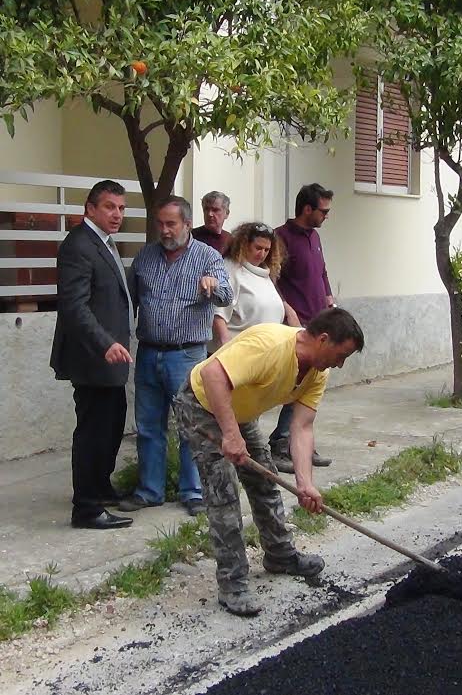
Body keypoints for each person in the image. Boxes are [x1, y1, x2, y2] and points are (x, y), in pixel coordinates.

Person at [172, 308, 364, 617]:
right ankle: (232, 584)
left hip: (238, 411)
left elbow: (301, 427)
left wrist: (305, 483)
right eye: (340, 355)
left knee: (265, 480)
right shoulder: (271, 344)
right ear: (324, 339)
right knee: (224, 495)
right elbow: (211, 374)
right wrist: (231, 435)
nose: (340, 364)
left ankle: (280, 555)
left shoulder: (317, 372)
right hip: (202, 405)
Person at [119, 196, 232, 517]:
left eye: (171, 224)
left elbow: (226, 293)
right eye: (160, 224)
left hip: (187, 356)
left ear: (186, 224)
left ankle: (192, 491)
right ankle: (149, 491)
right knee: (149, 426)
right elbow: (129, 299)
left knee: (190, 427)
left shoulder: (208, 257)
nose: (165, 231)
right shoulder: (145, 258)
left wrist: (213, 286)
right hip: (149, 354)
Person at [51, 180, 134, 530]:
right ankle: (85, 508)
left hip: (110, 358)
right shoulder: (79, 245)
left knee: (112, 422)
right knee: (93, 430)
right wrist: (105, 343)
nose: (116, 214)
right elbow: (74, 306)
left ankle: (99, 487)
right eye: (109, 207)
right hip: (93, 357)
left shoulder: (103, 242)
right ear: (90, 208)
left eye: (121, 208)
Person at [270, 183, 336, 471]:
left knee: (312, 385)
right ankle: (282, 443)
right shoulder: (280, 238)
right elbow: (271, 278)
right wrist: (288, 311)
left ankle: (302, 442)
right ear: (307, 209)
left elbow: (321, 272)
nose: (327, 216)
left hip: (320, 319)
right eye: (324, 210)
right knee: (296, 384)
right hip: (296, 326)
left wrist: (330, 298)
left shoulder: (315, 237)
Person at [210, 221, 297, 351]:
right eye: (258, 248)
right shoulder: (229, 269)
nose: (262, 254)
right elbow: (218, 312)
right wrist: (226, 348)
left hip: (265, 353)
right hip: (238, 353)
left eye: (266, 250)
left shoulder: (265, 273)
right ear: (244, 245)